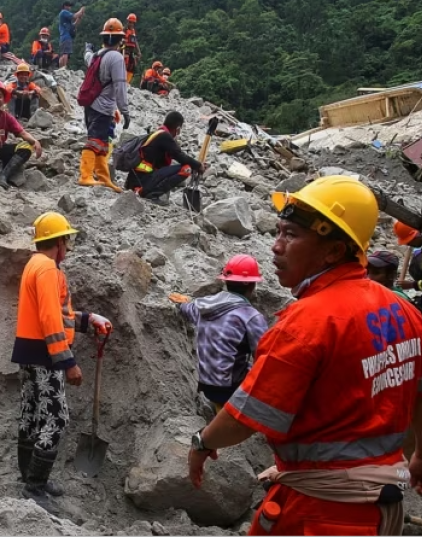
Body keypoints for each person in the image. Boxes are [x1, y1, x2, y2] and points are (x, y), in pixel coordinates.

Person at [188, 175, 422, 536]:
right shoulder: (403, 311)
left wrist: (202, 443)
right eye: (277, 232)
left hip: (322, 514)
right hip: (379, 508)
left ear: (333, 250)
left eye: (291, 235)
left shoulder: (306, 323)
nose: (276, 247)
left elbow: (244, 418)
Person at [12, 212, 113, 509]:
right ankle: (35, 485)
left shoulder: (36, 265)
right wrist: (67, 362)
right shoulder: (47, 270)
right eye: (66, 240)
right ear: (57, 241)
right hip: (46, 356)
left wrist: (88, 319)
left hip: (30, 352)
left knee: (31, 414)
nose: (68, 247)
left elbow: (55, 314)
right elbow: (49, 320)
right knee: (55, 418)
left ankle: (28, 476)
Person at [178, 255, 268, 413]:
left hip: (207, 385)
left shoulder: (202, 305)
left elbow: (186, 308)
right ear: (252, 286)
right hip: (230, 389)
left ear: (226, 282)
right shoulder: (251, 316)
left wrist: (182, 303)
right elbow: (265, 357)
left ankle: (217, 410)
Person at [78, 18, 129, 193]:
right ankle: (85, 175)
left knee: (102, 143)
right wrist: (125, 110)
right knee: (95, 140)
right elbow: (120, 85)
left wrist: (87, 49)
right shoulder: (116, 57)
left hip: (91, 104)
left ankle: (103, 176)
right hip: (103, 106)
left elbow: (87, 58)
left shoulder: (98, 55)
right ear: (120, 39)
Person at [124, 111, 204, 204]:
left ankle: (146, 190)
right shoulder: (164, 136)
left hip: (135, 180)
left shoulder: (158, 133)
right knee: (186, 168)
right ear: (178, 128)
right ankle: (151, 194)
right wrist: (198, 166)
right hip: (142, 182)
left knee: (175, 168)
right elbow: (180, 156)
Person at [58, 1, 85, 68]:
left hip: (66, 37)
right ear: (65, 6)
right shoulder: (64, 12)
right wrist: (81, 9)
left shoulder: (67, 20)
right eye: (69, 6)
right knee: (65, 53)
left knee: (64, 54)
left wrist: (80, 17)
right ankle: (64, 68)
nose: (70, 8)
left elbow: (75, 25)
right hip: (65, 36)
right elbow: (74, 16)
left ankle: (61, 68)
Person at [122, 13, 142, 84]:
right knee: (125, 63)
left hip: (131, 50)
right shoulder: (124, 30)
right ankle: (121, 79)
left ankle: (127, 82)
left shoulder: (133, 31)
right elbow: (119, 39)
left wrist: (139, 51)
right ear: (128, 22)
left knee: (132, 65)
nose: (131, 24)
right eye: (130, 22)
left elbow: (135, 41)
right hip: (125, 48)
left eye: (132, 23)